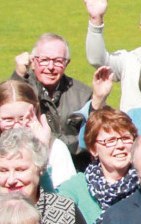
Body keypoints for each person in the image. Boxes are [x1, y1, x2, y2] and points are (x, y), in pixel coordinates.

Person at [0, 79, 80, 201]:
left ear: (35, 111)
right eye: (8, 120)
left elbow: (64, 205)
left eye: (23, 119)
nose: (16, 127)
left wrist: (43, 150)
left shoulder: (56, 148)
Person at [59, 107, 141, 224]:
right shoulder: (75, 188)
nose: (120, 146)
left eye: (125, 138)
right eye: (110, 141)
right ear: (93, 149)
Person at [14, 33, 93, 161]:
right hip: (27, 164)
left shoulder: (83, 95)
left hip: (72, 168)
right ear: (33, 61)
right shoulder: (23, 87)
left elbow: (92, 138)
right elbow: (7, 111)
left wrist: (49, 139)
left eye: (57, 61)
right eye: (44, 60)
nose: (50, 67)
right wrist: (18, 76)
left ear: (67, 63)